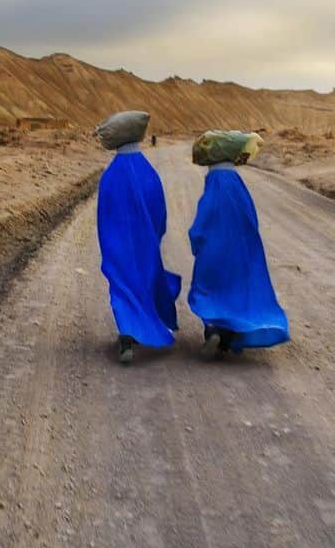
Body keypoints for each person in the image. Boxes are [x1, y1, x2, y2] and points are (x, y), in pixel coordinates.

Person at [188, 135, 289, 359]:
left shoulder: (213, 187)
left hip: (213, 254)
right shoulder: (238, 187)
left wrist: (196, 241)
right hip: (239, 254)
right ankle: (227, 340)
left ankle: (212, 330)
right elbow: (251, 222)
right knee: (233, 293)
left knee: (208, 291)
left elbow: (202, 223)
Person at [96, 112, 181, 364]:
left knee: (122, 286)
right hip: (145, 244)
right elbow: (159, 211)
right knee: (143, 282)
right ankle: (143, 328)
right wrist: (155, 236)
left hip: (117, 245)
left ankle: (126, 337)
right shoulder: (149, 173)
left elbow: (103, 214)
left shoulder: (110, 175)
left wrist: (108, 242)